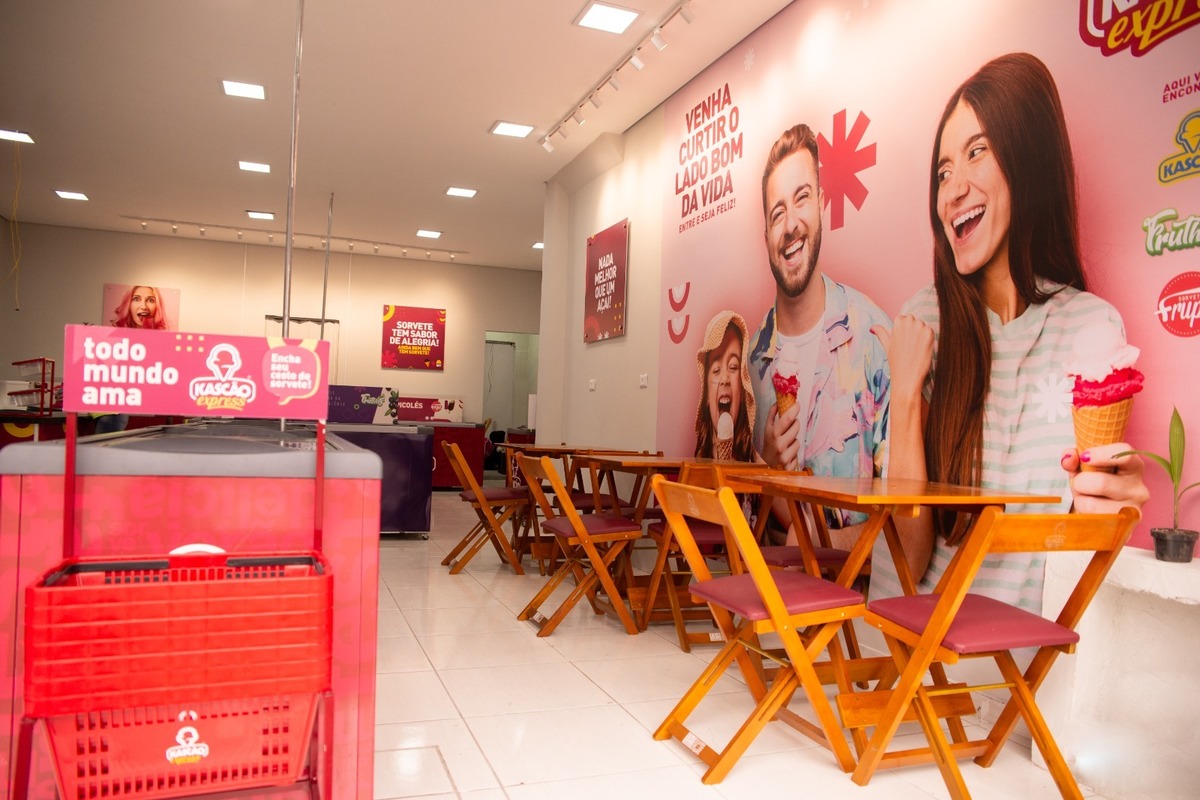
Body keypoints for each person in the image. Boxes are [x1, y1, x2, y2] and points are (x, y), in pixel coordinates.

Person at [871, 52, 1149, 611]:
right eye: (943, 172)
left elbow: (1078, 552)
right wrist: (906, 391)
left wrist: (1109, 514)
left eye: (976, 152)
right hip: (913, 648)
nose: (952, 190)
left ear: (1027, 157)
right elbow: (906, 560)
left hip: (1028, 652)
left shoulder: (1091, 330)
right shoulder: (922, 321)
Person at [749, 123, 891, 548]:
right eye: (777, 213)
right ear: (766, 236)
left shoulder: (873, 339)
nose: (791, 224)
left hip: (854, 591)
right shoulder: (751, 365)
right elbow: (738, 531)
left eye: (802, 199)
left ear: (822, 205)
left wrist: (822, 544)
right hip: (766, 587)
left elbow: (906, 529)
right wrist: (766, 469)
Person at [694, 310, 755, 462]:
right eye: (716, 369)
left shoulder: (756, 465)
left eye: (733, 367)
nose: (725, 379)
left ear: (743, 392)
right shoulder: (693, 467)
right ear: (707, 396)